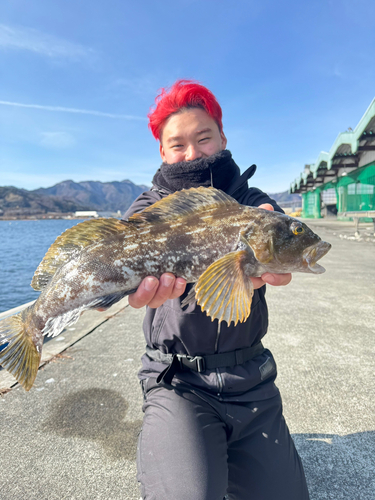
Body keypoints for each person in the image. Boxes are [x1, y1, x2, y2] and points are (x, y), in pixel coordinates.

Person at [123, 80, 309, 500]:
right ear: (162, 152)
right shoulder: (146, 211)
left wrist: (277, 258)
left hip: (252, 381)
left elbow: (277, 247)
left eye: (203, 138)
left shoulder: (253, 204)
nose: (191, 154)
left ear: (223, 137)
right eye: (177, 144)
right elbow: (122, 250)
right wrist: (122, 291)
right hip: (177, 380)